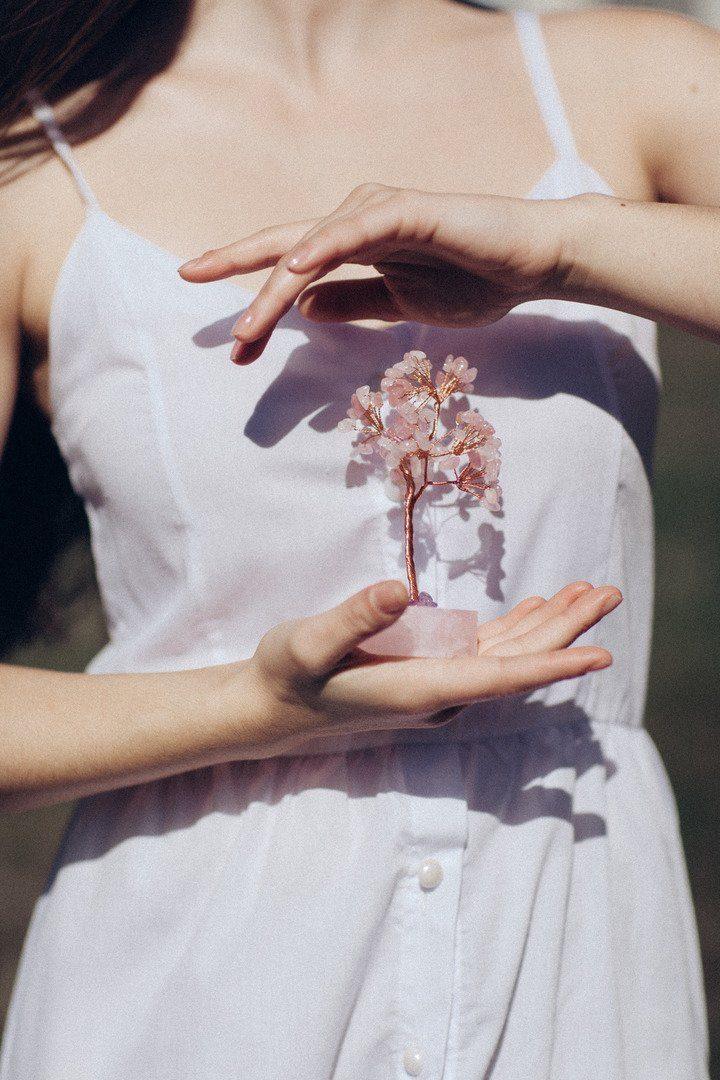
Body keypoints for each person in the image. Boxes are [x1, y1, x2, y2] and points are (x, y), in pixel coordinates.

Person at [0, 0, 715, 1075]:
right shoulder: (30, 164)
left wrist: (566, 246)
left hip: (569, 950)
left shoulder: (632, 76)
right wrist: (253, 706)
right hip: (195, 986)